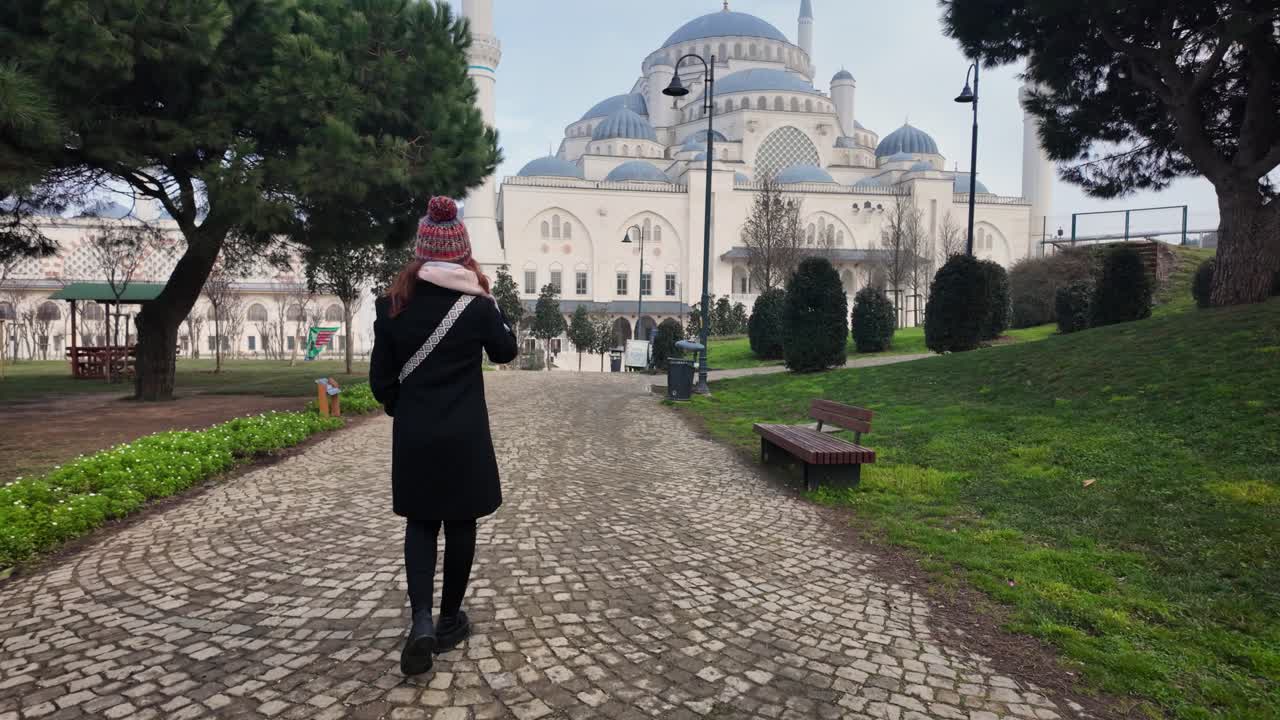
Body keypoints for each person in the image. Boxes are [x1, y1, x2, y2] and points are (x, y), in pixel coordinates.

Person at [370, 196, 519, 676]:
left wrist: (403, 408)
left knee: (419, 523)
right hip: (464, 433)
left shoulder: (391, 305)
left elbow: (381, 381)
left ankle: (420, 622)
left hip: (415, 432)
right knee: (459, 524)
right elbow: (505, 352)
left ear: (421, 250)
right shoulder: (477, 306)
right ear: (462, 251)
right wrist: (495, 307)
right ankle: (450, 618)